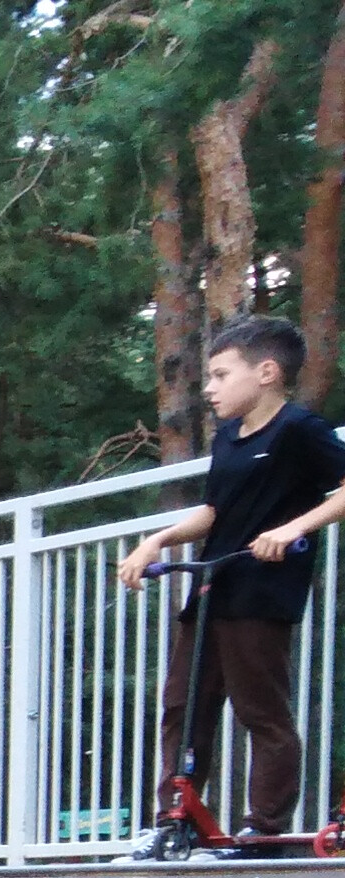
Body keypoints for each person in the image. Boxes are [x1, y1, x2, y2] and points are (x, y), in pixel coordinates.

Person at [122, 314, 345, 844]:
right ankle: (175, 823)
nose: (209, 388)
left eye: (221, 375)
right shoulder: (228, 438)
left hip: (262, 591)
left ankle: (262, 829)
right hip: (212, 588)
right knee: (183, 706)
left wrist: (292, 528)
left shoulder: (299, 430)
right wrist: (156, 540)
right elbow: (213, 512)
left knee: (260, 710)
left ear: (266, 373)